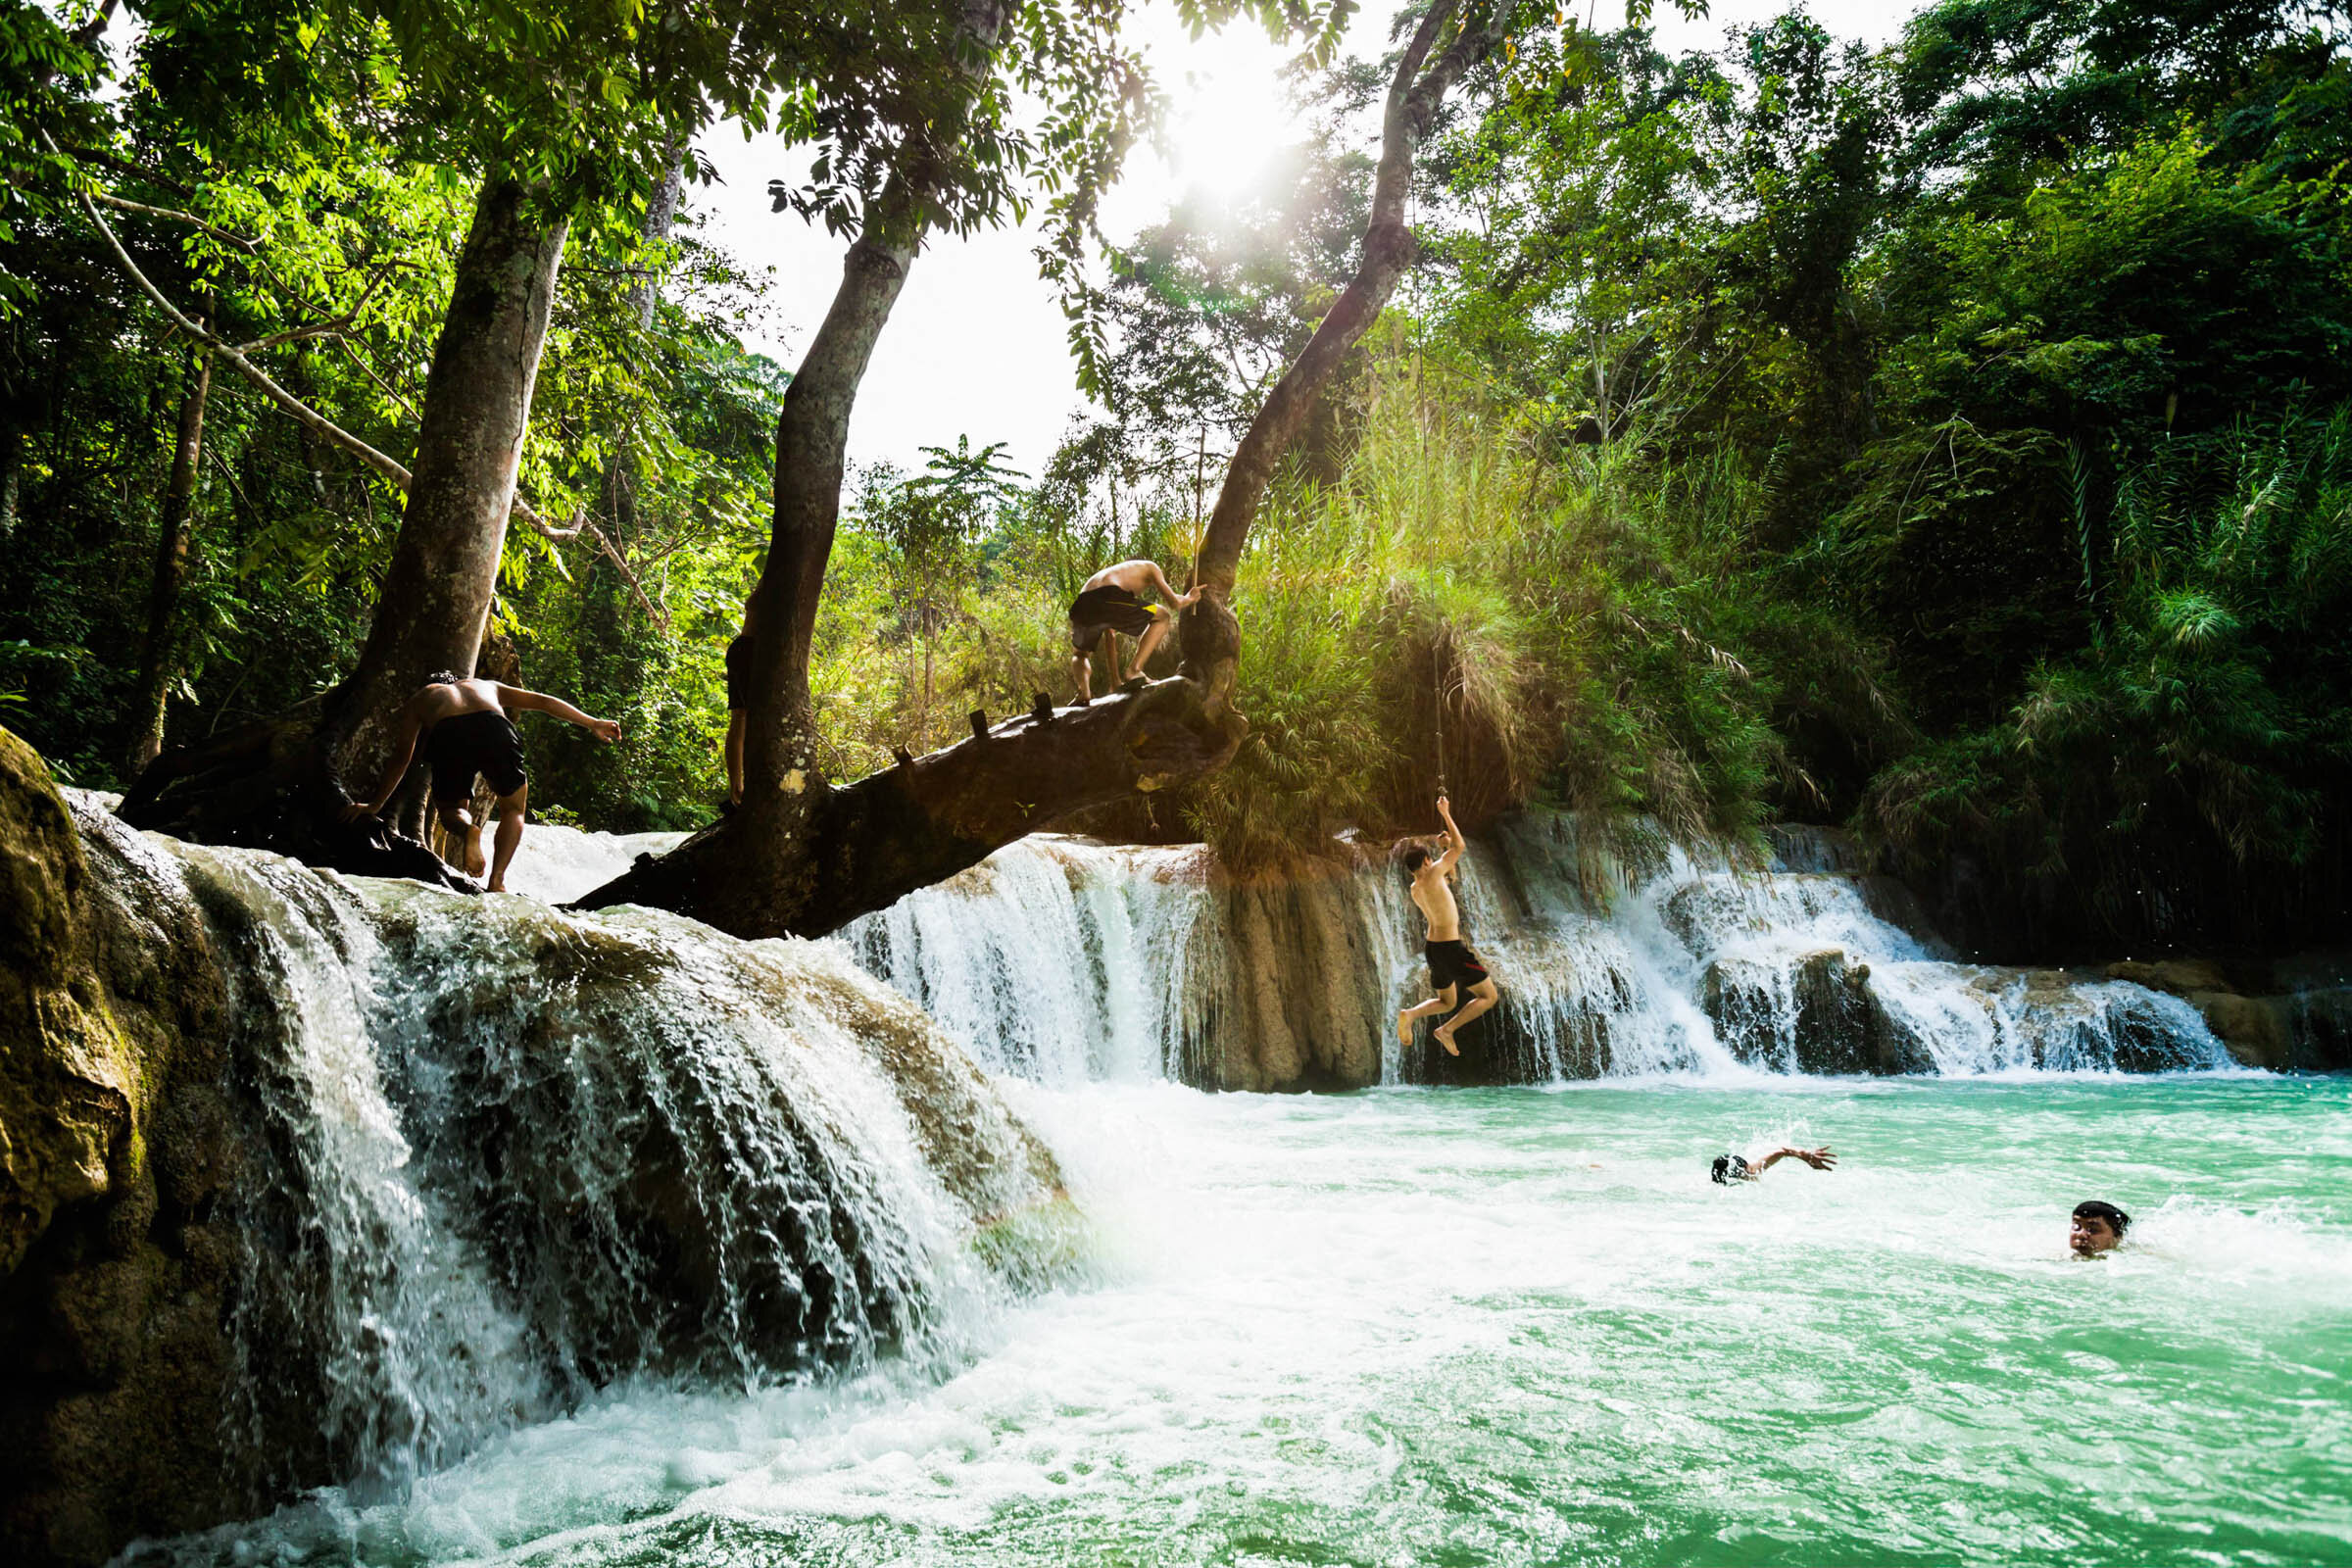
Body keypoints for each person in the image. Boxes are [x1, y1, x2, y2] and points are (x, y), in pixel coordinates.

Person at [339, 671, 620, 892]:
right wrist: (592, 722)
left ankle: (469, 830)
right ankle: (497, 881)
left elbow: (402, 756)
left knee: (450, 810)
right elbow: (544, 702)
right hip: (494, 726)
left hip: (449, 733)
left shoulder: (422, 698)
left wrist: (375, 805)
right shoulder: (485, 685)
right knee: (513, 809)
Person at [1395, 793, 1500, 1057]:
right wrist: (1445, 814)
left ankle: (1411, 1014)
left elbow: (1447, 883)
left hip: (1433, 949)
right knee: (1489, 997)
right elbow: (1460, 847)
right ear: (1427, 862)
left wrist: (1444, 851)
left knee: (1447, 1001)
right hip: (1451, 948)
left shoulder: (1416, 887)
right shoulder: (1432, 874)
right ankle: (1447, 1031)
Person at [1067, 559, 1199, 704]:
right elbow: (1174, 602)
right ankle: (1135, 670)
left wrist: (1115, 682)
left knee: (1080, 654)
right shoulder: (1152, 567)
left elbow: (1110, 636)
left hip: (1082, 603)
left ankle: (1084, 692)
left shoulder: (1120, 573)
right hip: (1109, 595)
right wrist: (1190, 598)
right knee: (1162, 615)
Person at [722, 609, 756, 808]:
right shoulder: (773, 582)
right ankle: (737, 783)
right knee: (741, 719)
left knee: (740, 719)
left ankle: (736, 782)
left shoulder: (766, 583)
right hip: (748, 653)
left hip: (742, 649)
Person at [1711, 1146, 1838, 1183]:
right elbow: (1781, 1153)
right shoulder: (1748, 1174)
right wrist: (1802, 1156)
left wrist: (1802, 1155)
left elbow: (1780, 1152)